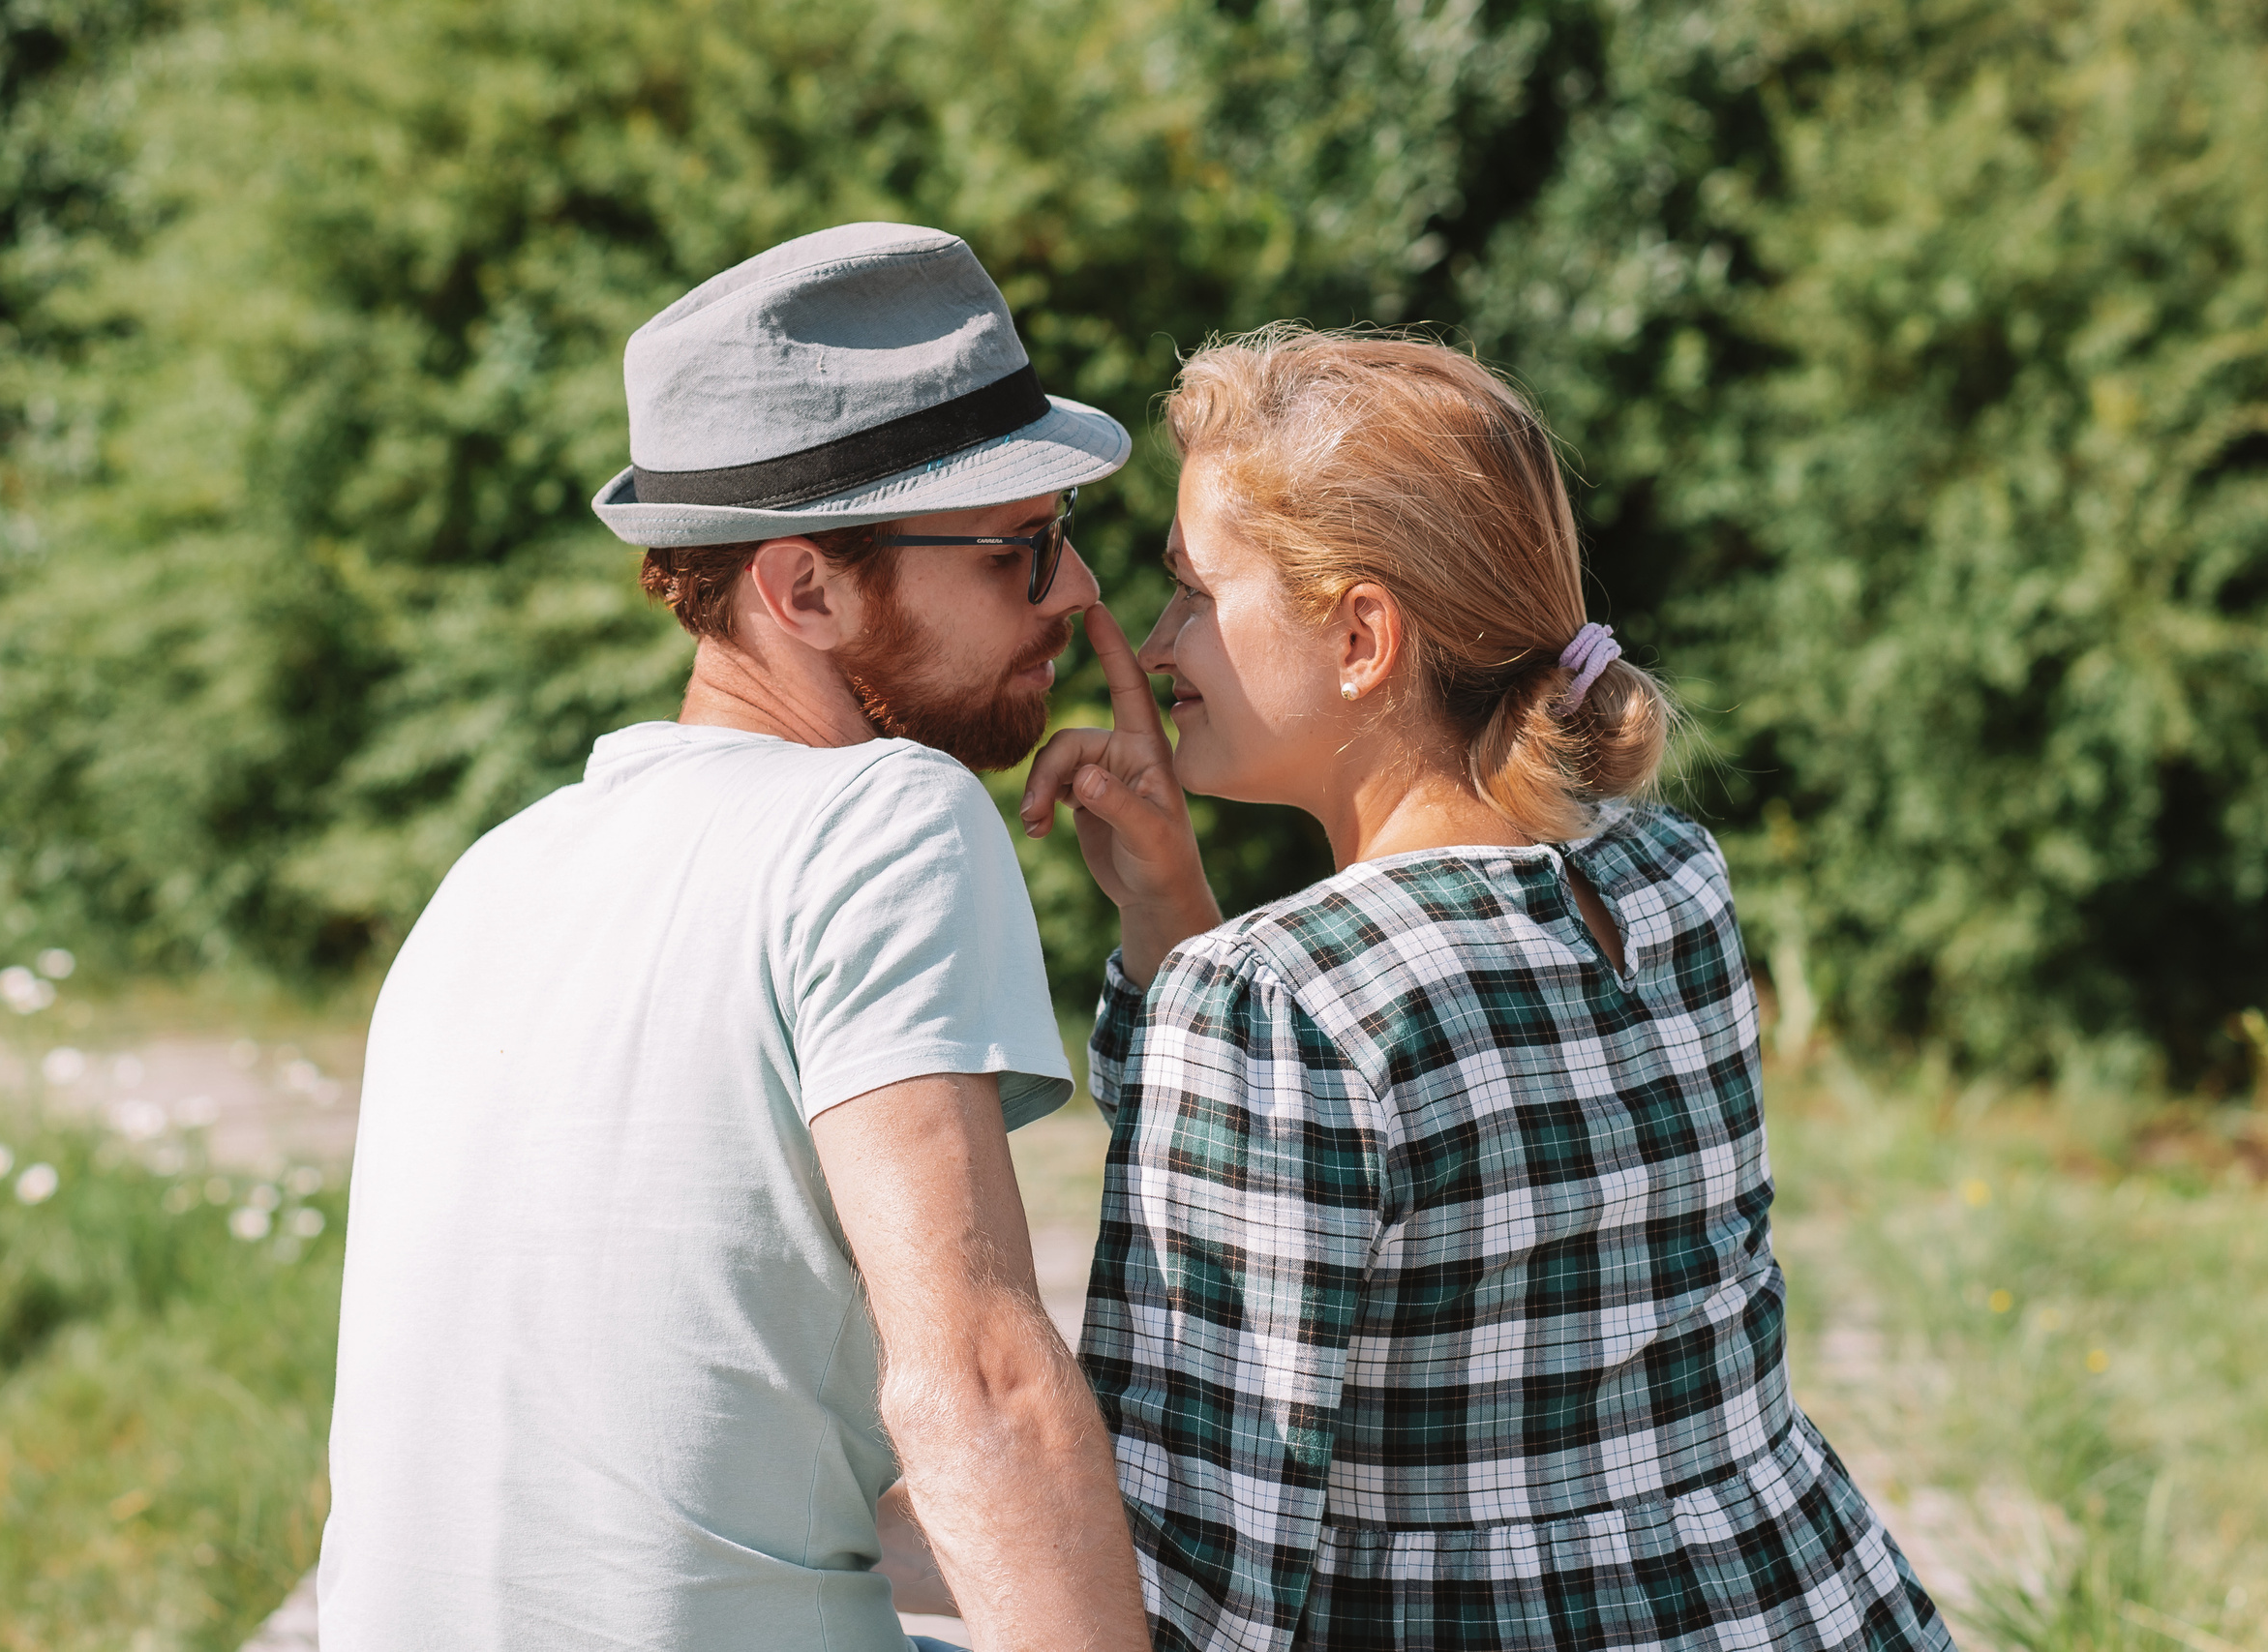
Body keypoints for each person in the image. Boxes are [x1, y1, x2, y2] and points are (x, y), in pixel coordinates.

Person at [1020, 327, 1953, 1652]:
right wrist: (1173, 916)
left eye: (1192, 593)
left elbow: (1191, 1565)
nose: (1160, 645)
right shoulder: (1666, 876)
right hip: (1798, 1606)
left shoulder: (1279, 1006)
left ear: (1360, 635)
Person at [319, 223, 1150, 1652]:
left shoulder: (493, 876)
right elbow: (979, 1390)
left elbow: (689, 1445)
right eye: (1023, 548)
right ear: (805, 591)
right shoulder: (885, 816)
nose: (1078, 593)